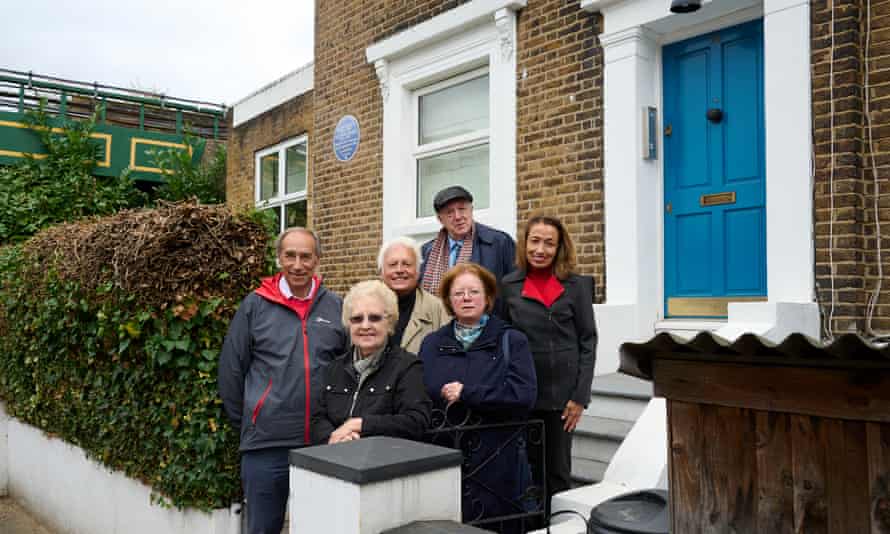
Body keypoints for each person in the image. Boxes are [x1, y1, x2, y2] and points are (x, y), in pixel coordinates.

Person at [218, 227, 347, 534]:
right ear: (278, 258)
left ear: (317, 259)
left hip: (322, 444)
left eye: (306, 256)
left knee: (322, 528)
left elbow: (347, 371)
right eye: (290, 255)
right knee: (263, 528)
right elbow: (231, 370)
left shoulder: (337, 306)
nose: (298, 264)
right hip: (266, 444)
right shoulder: (255, 305)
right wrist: (253, 419)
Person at [419, 263, 537, 532]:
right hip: (446, 461)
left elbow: (523, 395)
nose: (466, 298)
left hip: (498, 465)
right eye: (458, 293)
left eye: (474, 291)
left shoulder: (511, 340)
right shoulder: (432, 344)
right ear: (449, 300)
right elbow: (422, 395)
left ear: (488, 297)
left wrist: (469, 393)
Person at [498, 214, 597, 517]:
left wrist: (580, 397)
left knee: (557, 471)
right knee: (528, 470)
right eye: (535, 241)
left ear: (559, 248)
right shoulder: (509, 285)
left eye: (549, 243)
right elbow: (501, 339)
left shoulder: (577, 286)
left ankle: (561, 524)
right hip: (525, 393)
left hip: (562, 397)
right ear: (525, 244)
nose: (540, 249)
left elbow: (588, 341)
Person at [311, 280, 432, 444]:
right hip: (336, 460)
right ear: (348, 324)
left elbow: (416, 421)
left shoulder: (407, 367)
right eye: (357, 319)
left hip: (384, 464)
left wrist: (360, 425)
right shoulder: (334, 368)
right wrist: (334, 437)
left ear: (389, 323)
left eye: (374, 318)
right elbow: (317, 418)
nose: (365, 326)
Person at [420, 185, 516, 295]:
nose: (458, 217)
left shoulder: (499, 243)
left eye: (462, 209)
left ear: (471, 210)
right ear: (440, 219)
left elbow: (515, 288)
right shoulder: (427, 251)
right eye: (449, 212)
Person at [378, 236, 450, 354]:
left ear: (418, 270)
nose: (400, 270)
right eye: (392, 264)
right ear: (381, 271)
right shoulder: (365, 308)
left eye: (407, 264)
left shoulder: (439, 311)